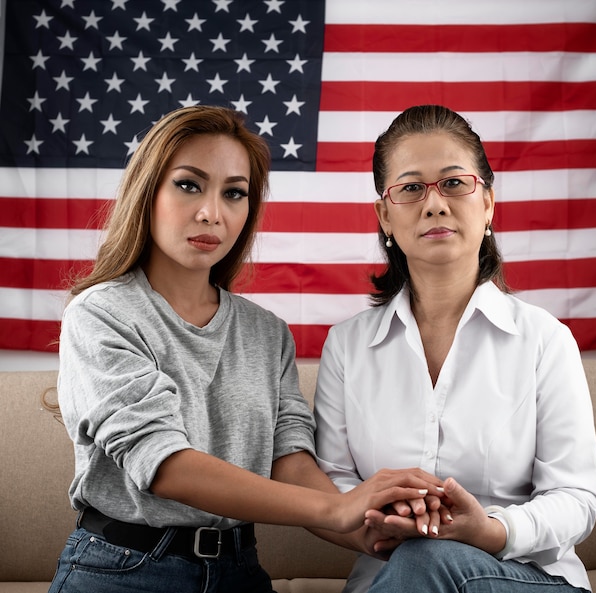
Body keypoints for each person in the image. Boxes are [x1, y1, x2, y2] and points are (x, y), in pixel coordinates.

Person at [47, 105, 443, 593]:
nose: (211, 212)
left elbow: (289, 460)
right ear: (147, 192)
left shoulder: (266, 332)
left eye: (234, 193)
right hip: (124, 569)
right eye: (189, 184)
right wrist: (338, 506)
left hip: (239, 572)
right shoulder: (99, 313)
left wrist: (369, 531)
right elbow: (164, 464)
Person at [313, 104, 596, 593]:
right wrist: (384, 519)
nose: (434, 204)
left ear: (487, 202)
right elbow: (333, 481)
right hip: (390, 573)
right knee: (419, 560)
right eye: (410, 188)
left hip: (524, 577)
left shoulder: (544, 339)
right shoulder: (347, 346)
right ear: (385, 214)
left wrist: (490, 531)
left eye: (453, 183)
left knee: (429, 559)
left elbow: (576, 497)